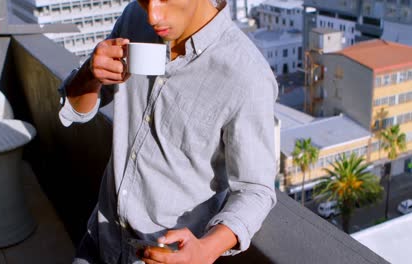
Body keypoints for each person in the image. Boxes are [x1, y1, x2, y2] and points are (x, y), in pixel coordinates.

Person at [58, 0, 278, 263]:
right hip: (100, 239)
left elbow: (256, 190)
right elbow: (79, 109)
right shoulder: (133, 19)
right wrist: (90, 73)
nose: (153, 15)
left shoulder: (247, 75)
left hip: (162, 256)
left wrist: (206, 250)